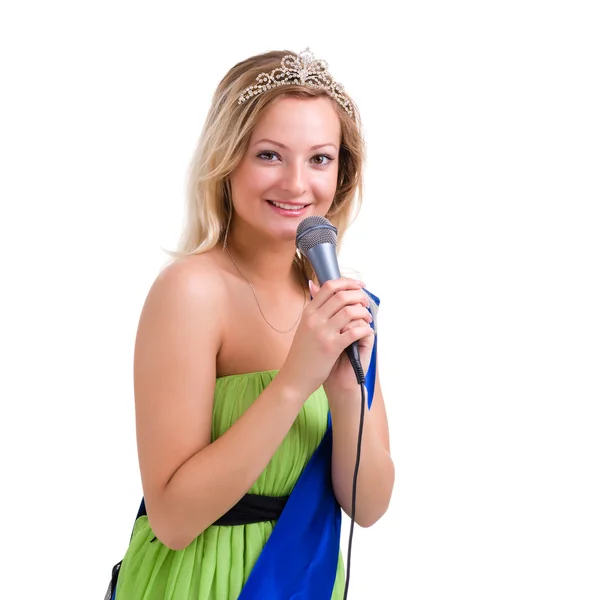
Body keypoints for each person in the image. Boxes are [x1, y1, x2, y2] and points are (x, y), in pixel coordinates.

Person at [108, 48, 395, 600]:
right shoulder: (191, 292)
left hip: (308, 580)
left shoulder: (343, 302)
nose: (296, 184)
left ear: (341, 172)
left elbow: (369, 506)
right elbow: (172, 519)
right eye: (269, 155)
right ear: (228, 159)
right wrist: (293, 382)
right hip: (197, 581)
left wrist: (343, 396)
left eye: (319, 159)